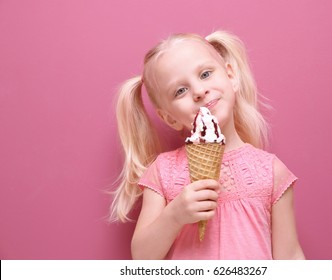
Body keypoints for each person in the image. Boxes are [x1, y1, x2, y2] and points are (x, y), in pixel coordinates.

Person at [110, 30, 305, 260]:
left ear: (231, 76)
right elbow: (142, 257)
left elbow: (289, 256)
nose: (199, 91)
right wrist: (174, 216)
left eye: (205, 74)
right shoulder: (164, 171)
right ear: (169, 118)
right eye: (180, 90)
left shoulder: (271, 172)